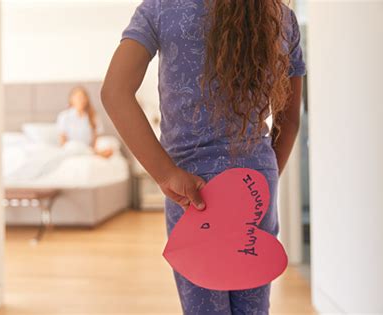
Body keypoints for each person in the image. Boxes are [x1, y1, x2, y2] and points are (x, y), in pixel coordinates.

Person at [101, 0, 306, 314]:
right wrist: (263, 182)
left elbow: (114, 92)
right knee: (253, 308)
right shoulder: (281, 16)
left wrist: (166, 174)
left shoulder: (162, 7)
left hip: (192, 191)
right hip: (256, 184)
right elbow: (289, 121)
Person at [57, 86, 113, 158]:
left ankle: (91, 153)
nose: (81, 100)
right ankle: (94, 154)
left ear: (87, 100)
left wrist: (93, 149)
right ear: (71, 99)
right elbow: (63, 141)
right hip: (71, 149)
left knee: (108, 146)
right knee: (72, 146)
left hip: (88, 148)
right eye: (78, 97)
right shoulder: (64, 116)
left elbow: (95, 140)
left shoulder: (93, 116)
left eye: (83, 97)